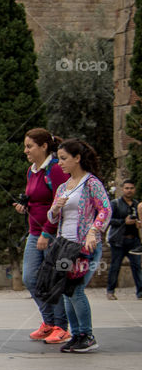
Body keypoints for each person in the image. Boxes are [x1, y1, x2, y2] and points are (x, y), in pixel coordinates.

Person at [47, 139, 112, 352]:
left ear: (77, 158)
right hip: (64, 246)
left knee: (76, 290)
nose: (60, 164)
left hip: (84, 246)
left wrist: (94, 231)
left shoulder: (91, 183)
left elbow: (105, 209)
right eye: (58, 159)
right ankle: (76, 335)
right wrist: (56, 208)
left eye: (64, 159)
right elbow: (52, 217)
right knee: (67, 290)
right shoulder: (63, 187)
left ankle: (87, 334)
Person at [14, 129, 71, 344]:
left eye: (30, 146)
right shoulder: (32, 170)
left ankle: (60, 326)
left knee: (53, 279)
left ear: (44, 146)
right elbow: (35, 199)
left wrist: (47, 232)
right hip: (34, 232)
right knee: (30, 277)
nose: (26, 150)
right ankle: (48, 321)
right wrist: (24, 207)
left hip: (52, 234)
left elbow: (60, 204)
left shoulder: (55, 170)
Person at [105, 179, 141, 300]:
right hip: (119, 240)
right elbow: (108, 220)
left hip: (134, 240)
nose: (129, 190)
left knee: (137, 266)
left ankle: (140, 292)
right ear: (122, 189)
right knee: (115, 266)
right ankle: (110, 291)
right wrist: (123, 222)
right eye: (127, 188)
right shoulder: (115, 203)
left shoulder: (137, 204)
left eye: (131, 188)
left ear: (134, 189)